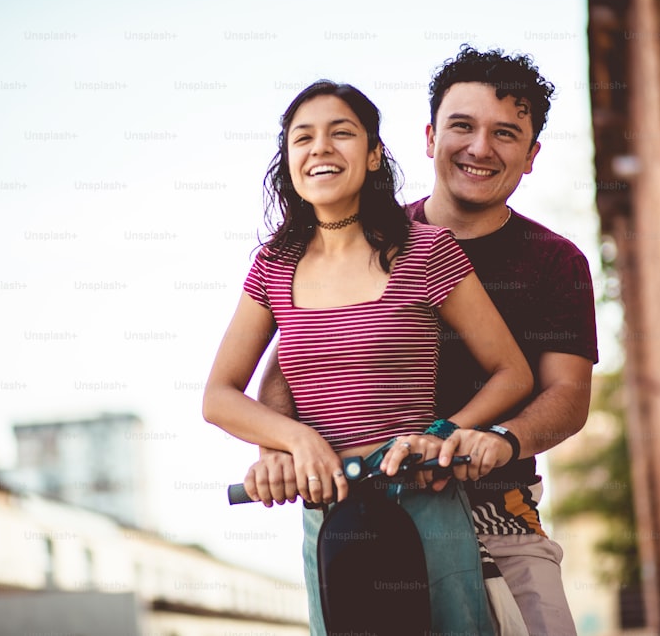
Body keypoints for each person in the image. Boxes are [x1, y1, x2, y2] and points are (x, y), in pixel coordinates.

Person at [246, 47, 599, 636]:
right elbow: (291, 370)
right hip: (365, 510)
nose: (480, 148)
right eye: (462, 126)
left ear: (532, 155)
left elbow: (567, 395)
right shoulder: (364, 242)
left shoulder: (555, 262)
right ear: (431, 136)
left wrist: (496, 438)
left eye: (506, 133)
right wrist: (280, 454)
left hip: (496, 508)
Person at [203, 79, 534, 634]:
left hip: (425, 503)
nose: (321, 149)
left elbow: (513, 373)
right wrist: (294, 444)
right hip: (328, 516)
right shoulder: (273, 266)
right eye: (302, 138)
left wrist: (443, 432)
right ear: (289, 162)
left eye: (342, 134)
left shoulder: (426, 250)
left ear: (374, 153)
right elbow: (219, 396)